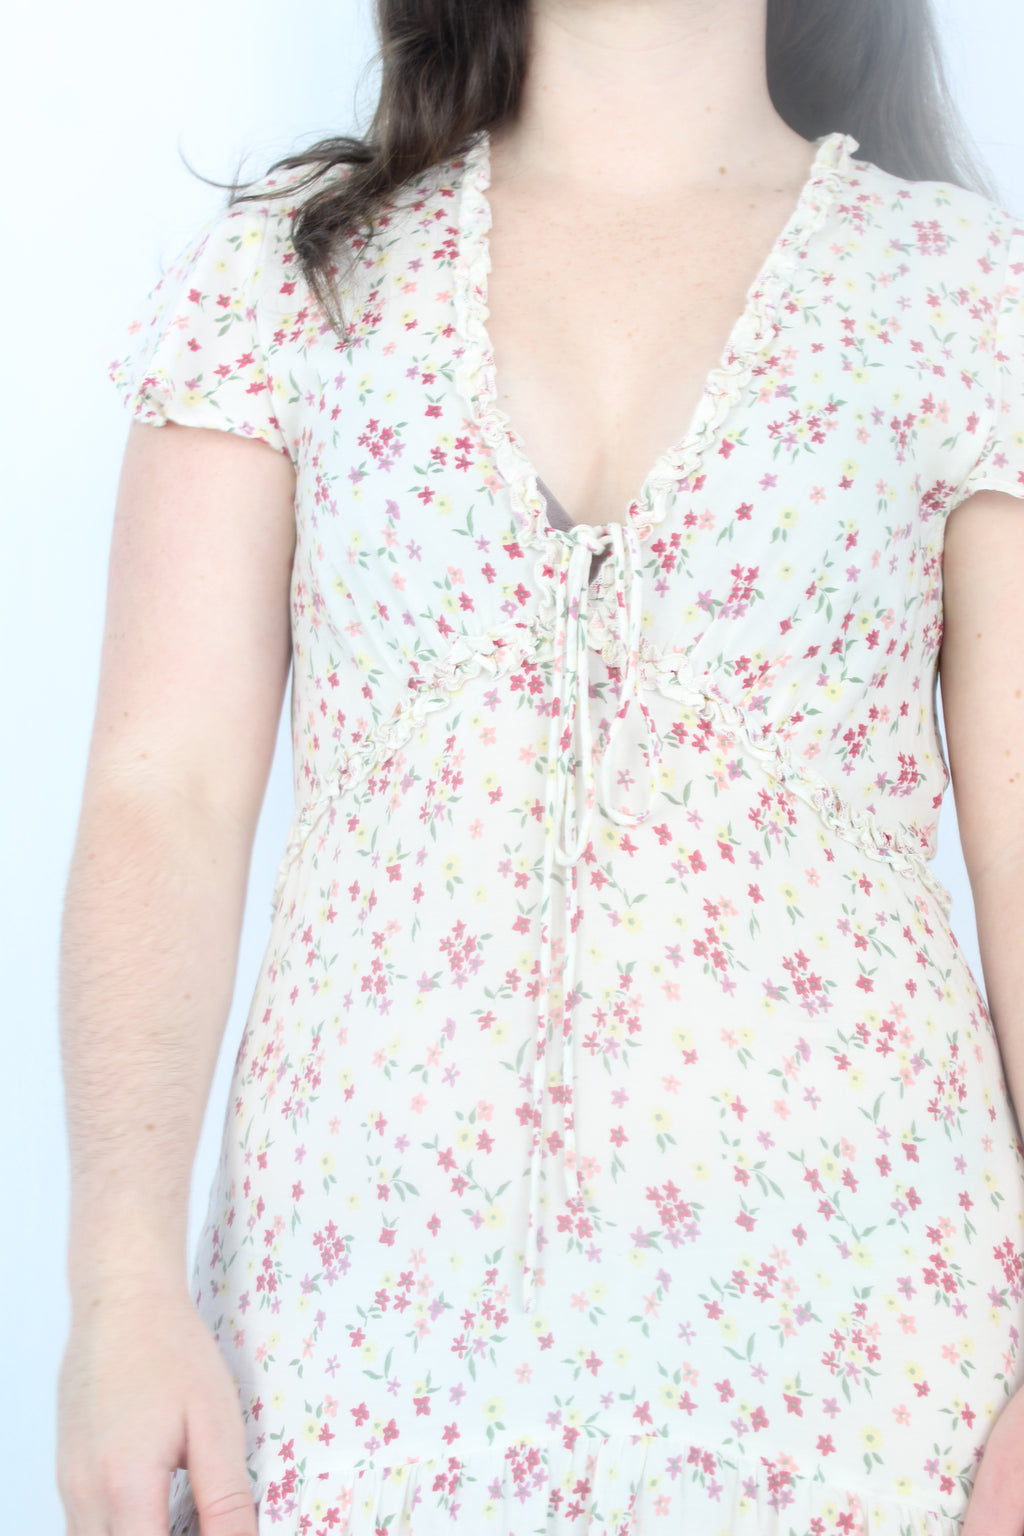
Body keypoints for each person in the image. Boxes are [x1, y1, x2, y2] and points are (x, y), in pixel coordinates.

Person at [57, 0, 1024, 1532]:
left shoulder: (965, 297)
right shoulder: (293, 278)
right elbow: (159, 797)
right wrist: (121, 1286)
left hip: (875, 1387)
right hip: (353, 1375)